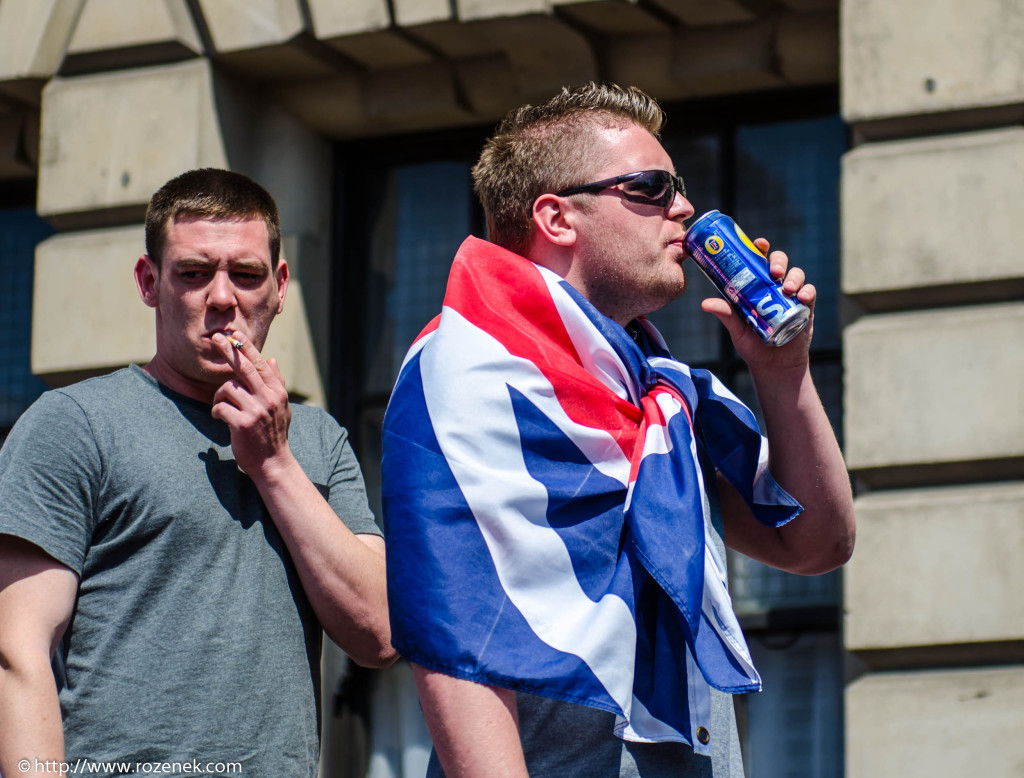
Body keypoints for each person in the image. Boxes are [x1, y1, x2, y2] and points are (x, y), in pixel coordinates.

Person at [381, 83, 856, 777]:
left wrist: (782, 373)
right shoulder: (468, 365)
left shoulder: (660, 394)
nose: (685, 209)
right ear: (557, 217)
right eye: (652, 187)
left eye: (679, 187)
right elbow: (457, 640)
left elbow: (817, 543)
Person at [0, 168, 395, 777]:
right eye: (193, 273)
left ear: (281, 286)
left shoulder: (319, 439)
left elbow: (379, 635)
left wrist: (273, 463)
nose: (221, 298)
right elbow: (18, 651)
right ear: (149, 281)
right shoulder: (74, 423)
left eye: (246, 274)